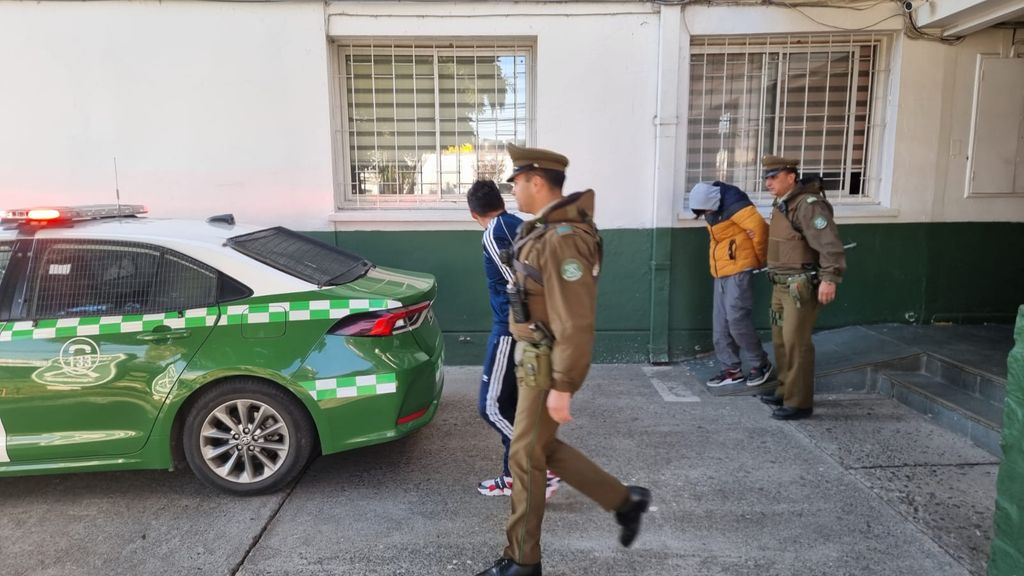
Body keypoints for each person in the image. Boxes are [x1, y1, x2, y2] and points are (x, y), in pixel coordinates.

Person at [474, 145, 651, 576]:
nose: (512, 188)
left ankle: (522, 560)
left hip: (547, 362)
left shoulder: (564, 239)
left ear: (537, 181)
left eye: (516, 180)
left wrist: (564, 385)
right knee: (539, 449)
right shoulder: (543, 231)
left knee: (524, 456)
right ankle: (625, 502)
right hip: (533, 357)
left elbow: (575, 320)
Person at [467, 180, 560, 499]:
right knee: (511, 404)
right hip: (529, 329)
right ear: (501, 200)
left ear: (472, 212)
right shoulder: (519, 224)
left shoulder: (494, 232)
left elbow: (524, 284)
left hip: (510, 330)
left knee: (490, 407)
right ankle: (512, 477)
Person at [758, 155, 846, 420]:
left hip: (800, 285)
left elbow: (829, 244)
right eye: (766, 177)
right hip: (780, 284)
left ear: (791, 176)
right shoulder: (784, 203)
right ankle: (786, 390)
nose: (768, 182)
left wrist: (829, 278)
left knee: (797, 343)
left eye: (774, 177)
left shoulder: (808, 206)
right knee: (781, 341)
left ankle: (799, 402)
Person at [688, 181, 773, 388]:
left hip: (739, 269)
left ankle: (760, 363)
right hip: (721, 272)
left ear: (713, 201)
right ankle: (731, 370)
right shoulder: (713, 209)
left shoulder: (736, 204)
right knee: (720, 324)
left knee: (736, 319)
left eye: (706, 209)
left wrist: (759, 260)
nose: (705, 213)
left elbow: (761, 229)